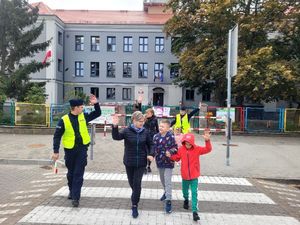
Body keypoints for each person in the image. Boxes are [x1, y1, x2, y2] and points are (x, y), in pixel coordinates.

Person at [52, 94, 101, 208]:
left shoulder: (83, 116)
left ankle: (75, 197)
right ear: (75, 107)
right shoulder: (64, 120)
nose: (82, 108)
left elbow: (98, 113)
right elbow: (57, 136)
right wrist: (55, 151)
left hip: (82, 149)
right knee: (71, 173)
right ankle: (71, 190)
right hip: (70, 150)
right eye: (81, 107)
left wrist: (96, 104)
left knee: (78, 173)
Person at [111, 111, 154, 218]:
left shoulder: (145, 132)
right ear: (133, 120)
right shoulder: (127, 131)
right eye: (140, 121)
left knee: (137, 183)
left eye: (143, 121)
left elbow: (151, 144)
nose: (142, 123)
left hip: (141, 162)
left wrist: (151, 154)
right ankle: (136, 194)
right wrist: (115, 126)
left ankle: (134, 205)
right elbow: (116, 137)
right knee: (132, 183)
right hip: (129, 162)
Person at [166, 131, 212, 221]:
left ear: (192, 143)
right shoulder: (181, 149)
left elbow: (208, 149)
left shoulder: (197, 149)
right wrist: (170, 156)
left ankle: (195, 212)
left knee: (194, 193)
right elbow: (177, 158)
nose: (187, 145)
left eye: (189, 143)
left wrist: (207, 141)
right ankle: (186, 199)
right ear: (183, 142)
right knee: (185, 192)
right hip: (185, 176)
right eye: (186, 143)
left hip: (194, 176)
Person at [153, 119, 177, 213]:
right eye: (160, 126)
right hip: (159, 162)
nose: (160, 128)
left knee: (167, 181)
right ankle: (166, 192)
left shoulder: (171, 136)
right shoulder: (155, 136)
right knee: (162, 180)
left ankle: (168, 201)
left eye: (163, 126)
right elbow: (153, 148)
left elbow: (176, 148)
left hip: (169, 163)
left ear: (168, 128)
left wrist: (170, 152)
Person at [144, 108, 159, 173]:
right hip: (145, 136)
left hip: (153, 137)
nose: (147, 114)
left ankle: (148, 166)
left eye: (148, 113)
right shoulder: (144, 118)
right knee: (145, 152)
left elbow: (157, 128)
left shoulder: (155, 119)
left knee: (151, 152)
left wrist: (159, 136)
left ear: (152, 113)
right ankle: (144, 167)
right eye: (146, 113)